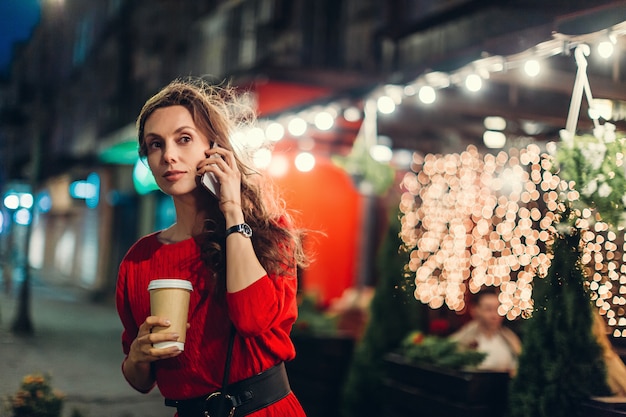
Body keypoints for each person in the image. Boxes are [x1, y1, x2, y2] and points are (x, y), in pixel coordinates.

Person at [115, 77, 308, 417]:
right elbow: (139, 380)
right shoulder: (139, 260)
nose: (169, 155)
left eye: (184, 139)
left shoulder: (267, 232)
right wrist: (138, 356)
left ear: (214, 148)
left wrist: (232, 210)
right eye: (155, 144)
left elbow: (252, 319)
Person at [450, 288, 522, 375]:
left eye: (497, 309)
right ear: (475, 310)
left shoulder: (509, 339)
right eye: (488, 309)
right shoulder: (463, 338)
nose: (494, 315)